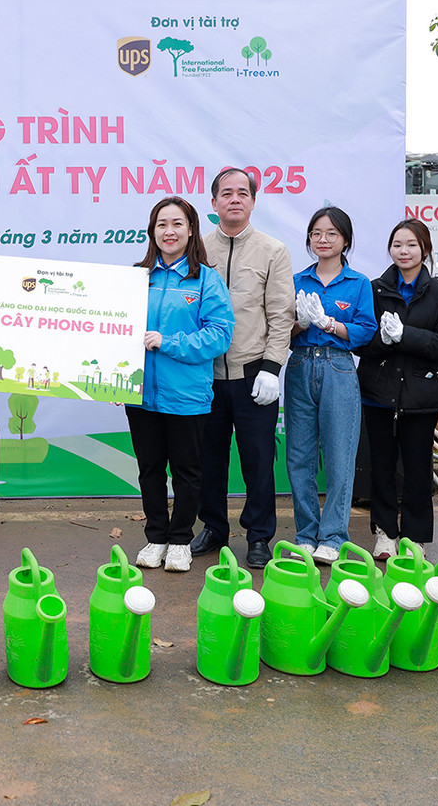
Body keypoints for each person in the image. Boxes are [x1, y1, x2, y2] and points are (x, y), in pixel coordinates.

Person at [193, 166, 295, 569]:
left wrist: (272, 367)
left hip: (254, 376)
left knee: (257, 461)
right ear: (213, 202)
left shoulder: (273, 251)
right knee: (207, 460)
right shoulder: (197, 249)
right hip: (205, 376)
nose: (234, 199)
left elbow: (281, 314)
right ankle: (214, 528)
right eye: (226, 193)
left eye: (242, 193)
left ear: (253, 201)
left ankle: (258, 537)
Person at [128, 197, 235, 573]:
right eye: (161, 224)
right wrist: (112, 378)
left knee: (188, 471)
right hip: (141, 395)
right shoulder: (138, 278)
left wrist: (169, 342)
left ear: (191, 229)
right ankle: (156, 535)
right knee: (150, 468)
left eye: (176, 224)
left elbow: (220, 336)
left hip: (187, 394)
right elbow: (113, 332)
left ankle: (179, 539)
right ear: (152, 231)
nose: (168, 231)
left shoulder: (206, 279)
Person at [355, 219, 438, 560]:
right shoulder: (373, 289)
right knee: (381, 466)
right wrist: (383, 340)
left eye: (411, 245)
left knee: (417, 468)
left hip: (421, 395)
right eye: (398, 244)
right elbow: (360, 342)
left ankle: (415, 536)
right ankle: (385, 533)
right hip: (379, 393)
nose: (404, 251)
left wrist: (406, 335)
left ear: (425, 250)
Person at [286, 206, 376, 564]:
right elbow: (282, 327)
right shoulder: (296, 280)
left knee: (340, 456)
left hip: (339, 367)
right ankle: (306, 533)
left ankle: (334, 536)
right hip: (300, 365)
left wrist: (328, 323)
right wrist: (299, 323)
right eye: (316, 234)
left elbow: (365, 332)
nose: (323, 240)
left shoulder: (358, 284)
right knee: (299, 456)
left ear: (345, 241)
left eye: (331, 234)